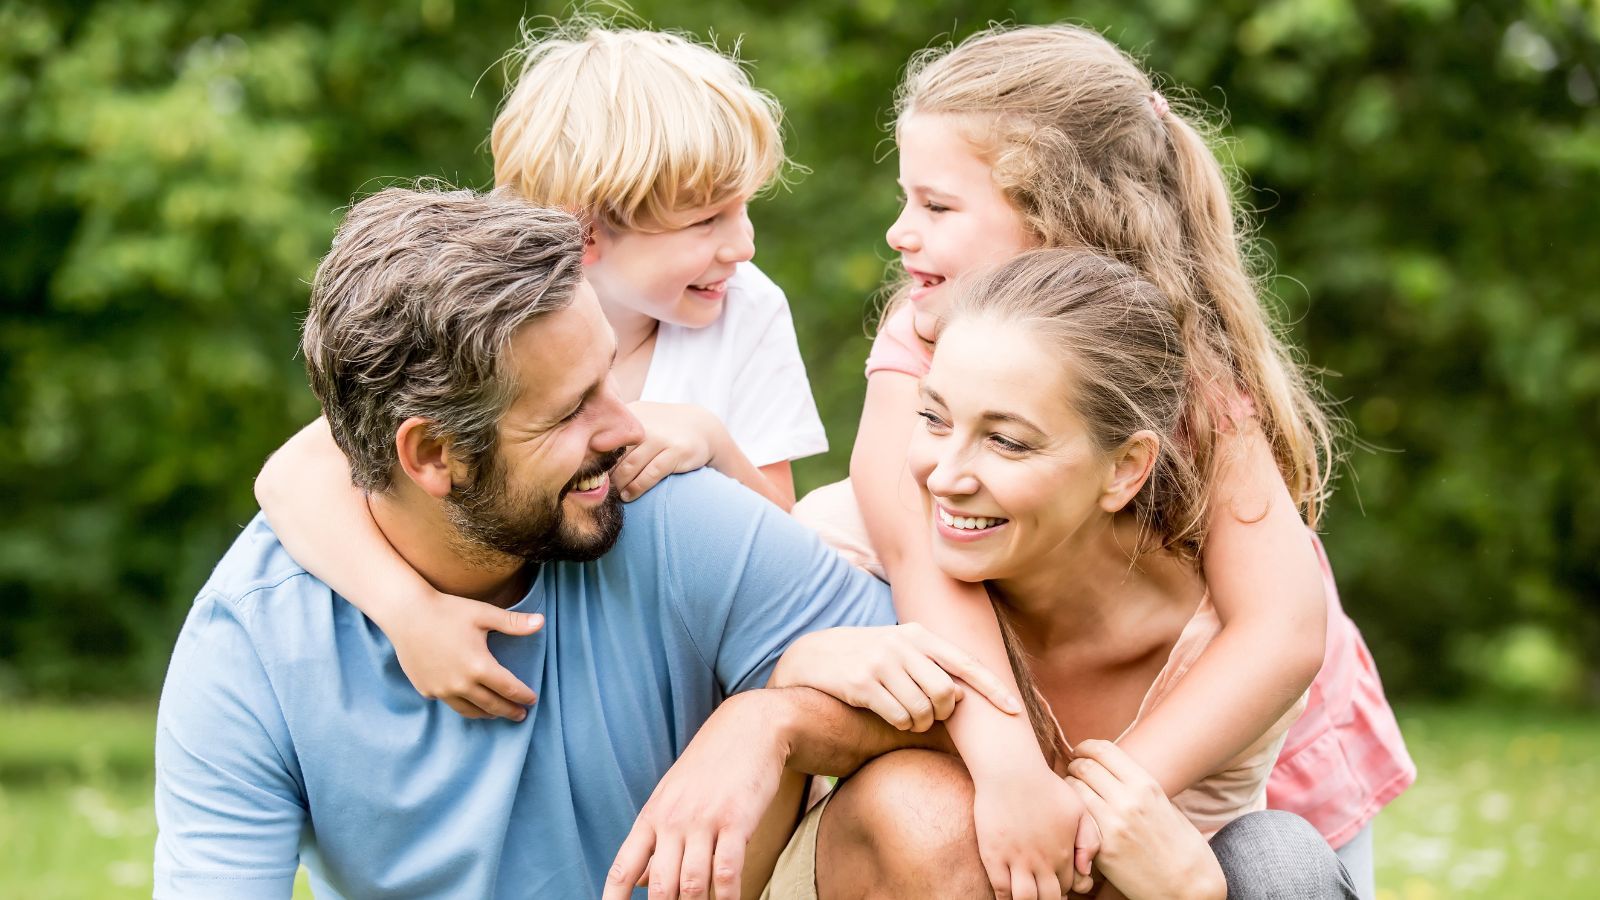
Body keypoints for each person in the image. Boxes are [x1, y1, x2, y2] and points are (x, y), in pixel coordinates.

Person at [152, 187, 941, 899]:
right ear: (431, 456)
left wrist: (769, 724)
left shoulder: (666, 509)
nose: (628, 427)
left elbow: (962, 701)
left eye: (611, 379)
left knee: (929, 815)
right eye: (569, 413)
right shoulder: (253, 643)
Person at [791, 24, 1411, 898]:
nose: (900, 233)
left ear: (1053, 215)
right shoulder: (923, 331)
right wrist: (1013, 772)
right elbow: (918, 557)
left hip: (1242, 732)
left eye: (936, 206)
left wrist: (1099, 802)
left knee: (1279, 867)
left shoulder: (1189, 366)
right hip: (1049, 721)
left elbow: (1280, 632)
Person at [251, 25, 826, 723]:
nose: (743, 243)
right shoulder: (486, 315)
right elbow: (290, 478)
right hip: (524, 676)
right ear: (585, 234)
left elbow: (789, 557)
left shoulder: (746, 309)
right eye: (707, 220)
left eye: (744, 208)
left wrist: (715, 442)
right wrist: (410, 615)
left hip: (678, 697)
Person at [758, 249, 1359, 900]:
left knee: (1282, 859)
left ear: (1126, 469)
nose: (945, 476)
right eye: (933, 418)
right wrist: (783, 690)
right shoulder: (847, 553)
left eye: (1007, 441)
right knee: (922, 807)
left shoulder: (1222, 654)